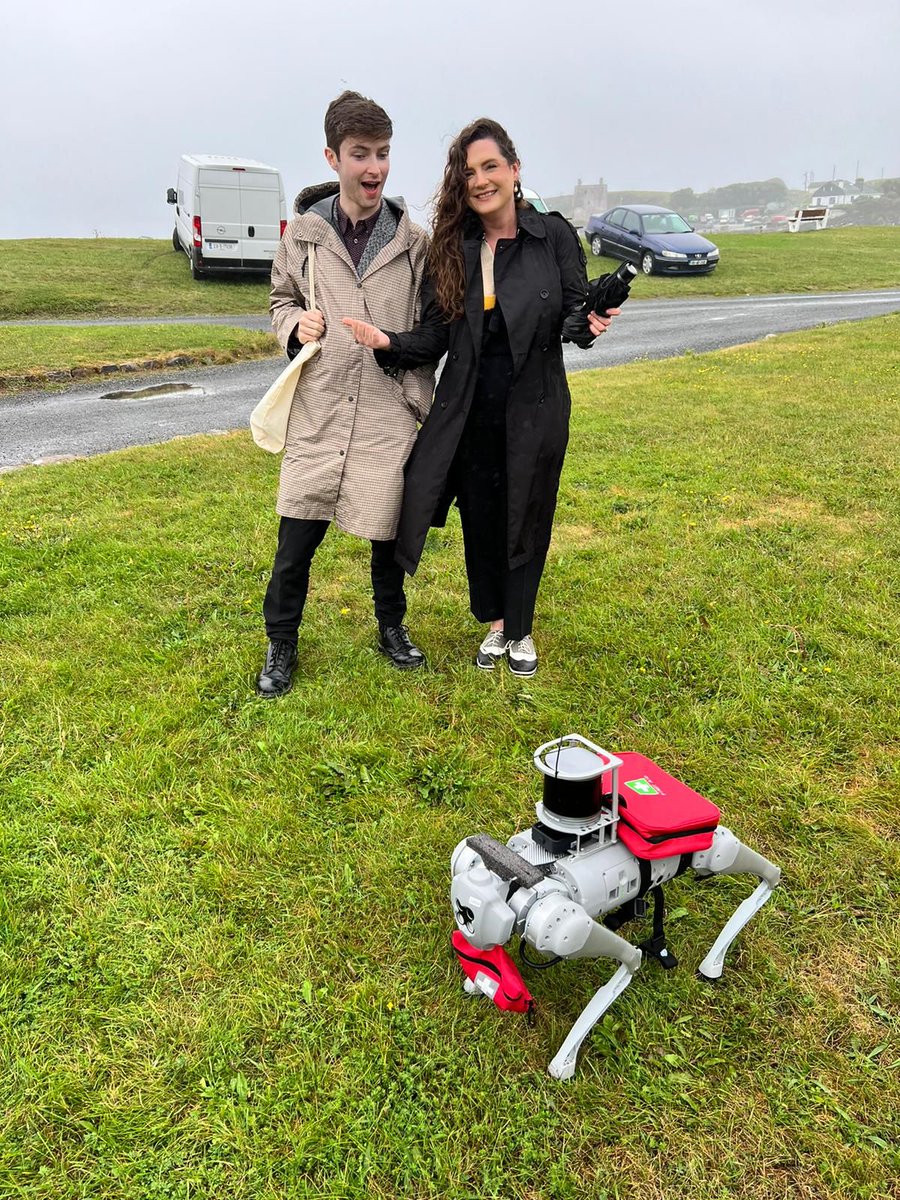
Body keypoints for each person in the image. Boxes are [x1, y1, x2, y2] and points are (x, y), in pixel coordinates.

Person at [343, 118, 617, 678]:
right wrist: (388, 342)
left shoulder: (553, 236)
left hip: (536, 402)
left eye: (491, 166)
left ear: (515, 171)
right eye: (469, 172)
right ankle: (495, 622)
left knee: (528, 512)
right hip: (468, 406)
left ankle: (521, 629)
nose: (481, 180)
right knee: (484, 516)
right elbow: (437, 334)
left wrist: (591, 320)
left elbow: (573, 312)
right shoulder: (456, 247)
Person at [257, 91, 435, 698]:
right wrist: (294, 327)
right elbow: (281, 299)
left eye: (383, 154)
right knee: (296, 536)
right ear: (332, 157)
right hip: (322, 403)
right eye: (361, 154)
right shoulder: (303, 237)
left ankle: (391, 626)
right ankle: (281, 644)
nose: (375, 169)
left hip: (388, 408)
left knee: (387, 532)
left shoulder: (415, 242)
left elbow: (433, 328)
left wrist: (394, 343)